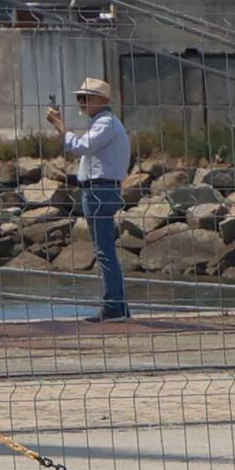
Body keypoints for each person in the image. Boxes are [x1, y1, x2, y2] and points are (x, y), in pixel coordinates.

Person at [49, 77, 135, 320]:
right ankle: (118, 305)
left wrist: (60, 126)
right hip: (100, 190)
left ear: (102, 100)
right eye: (80, 98)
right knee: (105, 249)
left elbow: (80, 146)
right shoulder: (104, 123)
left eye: (85, 98)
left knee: (104, 250)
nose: (81, 103)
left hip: (99, 191)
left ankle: (114, 307)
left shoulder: (105, 123)